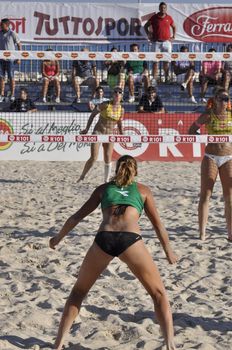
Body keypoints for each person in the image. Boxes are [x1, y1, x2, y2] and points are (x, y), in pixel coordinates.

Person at [49, 154, 178, 350]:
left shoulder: (103, 189)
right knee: (159, 295)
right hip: (130, 240)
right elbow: (158, 225)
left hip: (104, 239)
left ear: (117, 169)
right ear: (135, 171)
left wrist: (58, 238)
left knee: (78, 292)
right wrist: (169, 252)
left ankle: (58, 345)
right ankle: (170, 346)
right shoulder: (143, 190)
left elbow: (76, 218)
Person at [188, 88, 232, 242]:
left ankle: (230, 233)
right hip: (211, 157)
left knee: (230, 197)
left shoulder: (231, 115)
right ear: (216, 99)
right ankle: (202, 233)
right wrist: (201, 139)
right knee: (206, 195)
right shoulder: (208, 114)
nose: (225, 101)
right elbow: (191, 130)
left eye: (227, 99)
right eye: (222, 98)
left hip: (228, 157)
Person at [77, 86, 124, 182]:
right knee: (94, 157)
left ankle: (106, 181)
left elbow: (119, 122)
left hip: (110, 135)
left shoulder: (121, 109)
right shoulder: (105, 105)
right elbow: (93, 114)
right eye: (115, 92)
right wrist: (86, 129)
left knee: (108, 158)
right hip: (98, 132)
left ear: (121, 96)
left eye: (119, 93)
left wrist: (122, 133)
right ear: (113, 94)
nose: (117, 94)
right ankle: (82, 176)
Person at [144, 2, 176, 82]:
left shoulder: (169, 17)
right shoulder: (154, 17)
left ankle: (166, 78)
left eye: (164, 8)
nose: (163, 9)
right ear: (159, 8)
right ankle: (154, 79)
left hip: (166, 42)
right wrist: (148, 34)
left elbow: (174, 27)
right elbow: (145, 26)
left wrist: (174, 36)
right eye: (161, 8)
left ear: (166, 9)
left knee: (166, 61)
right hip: (156, 43)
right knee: (155, 62)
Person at [0, 18, 22, 102]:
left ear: (7, 25)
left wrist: (19, 57)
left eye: (2, 24)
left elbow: (19, 45)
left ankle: (12, 95)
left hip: (10, 60)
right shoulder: (0, 33)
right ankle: (1, 95)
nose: (0, 26)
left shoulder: (12, 34)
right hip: (1, 59)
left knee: (11, 77)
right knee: (1, 77)